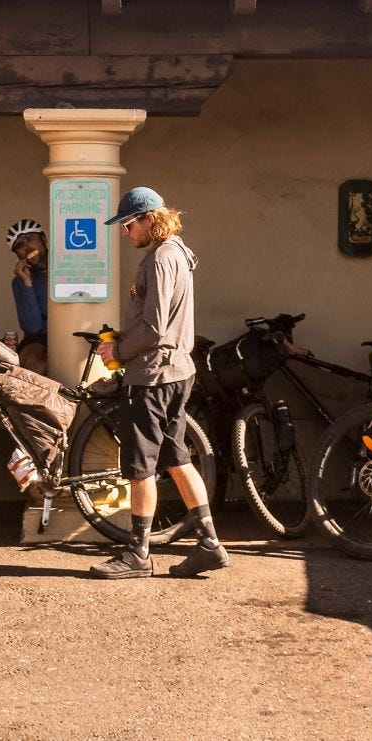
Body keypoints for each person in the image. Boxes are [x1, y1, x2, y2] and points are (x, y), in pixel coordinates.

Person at [91, 186, 228, 581]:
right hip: (176, 372)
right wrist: (125, 337)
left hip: (151, 376)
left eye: (128, 224)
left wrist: (118, 349)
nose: (125, 232)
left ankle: (138, 554)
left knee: (140, 467)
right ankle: (209, 544)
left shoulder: (159, 260)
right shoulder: (178, 253)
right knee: (177, 459)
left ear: (149, 219)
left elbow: (154, 327)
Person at [6, 218, 49, 375]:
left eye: (30, 239)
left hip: (70, 332)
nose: (27, 247)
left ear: (43, 239)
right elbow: (33, 328)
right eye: (19, 246)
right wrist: (27, 283)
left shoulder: (65, 269)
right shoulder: (19, 282)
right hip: (40, 337)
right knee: (31, 363)